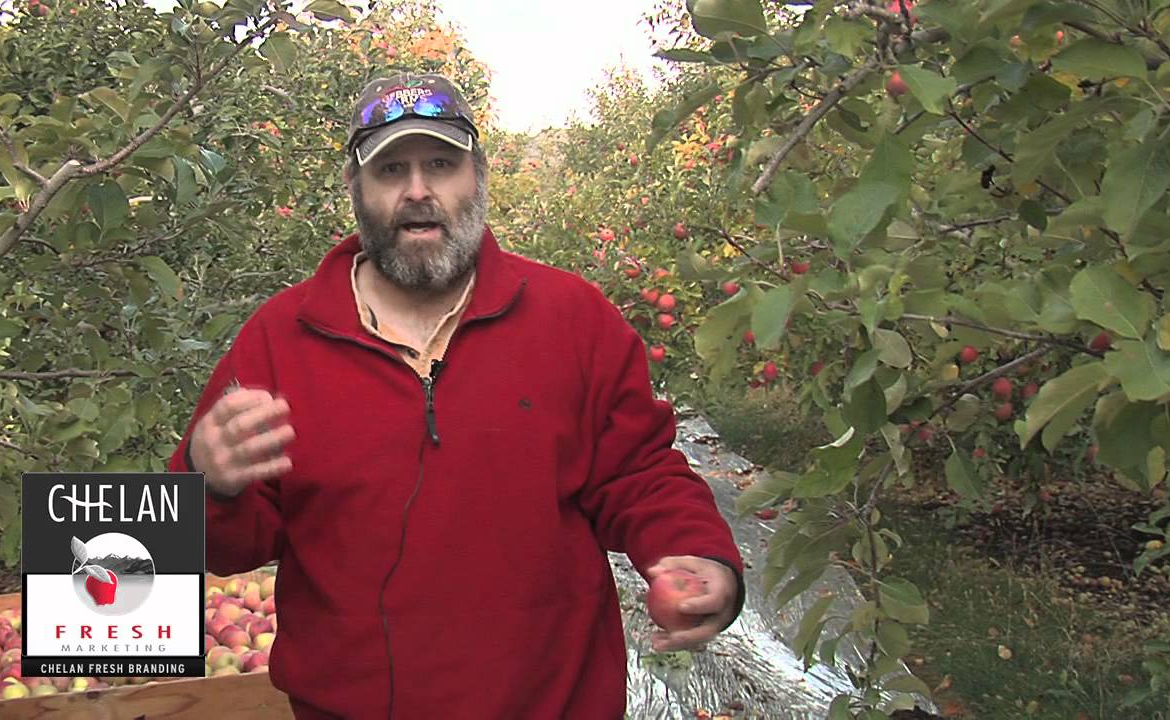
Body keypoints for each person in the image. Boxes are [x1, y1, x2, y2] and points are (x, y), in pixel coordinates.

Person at [168, 72, 745, 720]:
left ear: (479, 175)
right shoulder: (280, 342)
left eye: (441, 164)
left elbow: (640, 473)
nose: (418, 190)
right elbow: (227, 548)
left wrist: (697, 553)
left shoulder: (572, 319)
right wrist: (205, 481)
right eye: (391, 170)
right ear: (355, 187)